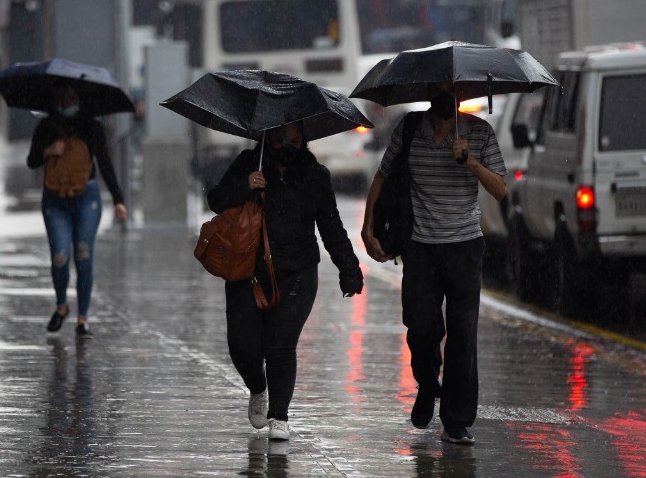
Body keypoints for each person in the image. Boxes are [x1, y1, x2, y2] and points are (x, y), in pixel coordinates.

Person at [361, 82, 507, 445]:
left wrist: (470, 160)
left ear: (459, 96)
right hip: (420, 249)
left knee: (462, 335)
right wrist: (366, 226)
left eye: (452, 92)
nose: (446, 97)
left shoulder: (479, 132)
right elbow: (382, 176)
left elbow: (501, 188)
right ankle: (428, 383)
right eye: (440, 90)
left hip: (464, 248)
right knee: (421, 329)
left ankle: (456, 420)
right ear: (430, 94)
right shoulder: (410, 128)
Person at [208, 122, 364, 441]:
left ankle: (280, 416)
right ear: (269, 137)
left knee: (280, 344)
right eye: (282, 139)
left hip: (298, 272)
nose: (289, 146)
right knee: (242, 346)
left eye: (295, 140)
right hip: (247, 271)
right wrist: (245, 186)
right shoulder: (248, 163)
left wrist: (349, 269)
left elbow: (331, 227)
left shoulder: (315, 175)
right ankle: (258, 386)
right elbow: (216, 199)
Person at [27, 84, 127, 337]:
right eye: (64, 96)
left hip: (86, 198)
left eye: (72, 96)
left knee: (83, 255)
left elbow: (104, 162)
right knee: (59, 256)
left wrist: (118, 199)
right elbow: (31, 161)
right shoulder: (46, 126)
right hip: (54, 199)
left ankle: (83, 318)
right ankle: (62, 305)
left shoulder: (92, 127)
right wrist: (49, 150)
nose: (68, 101)